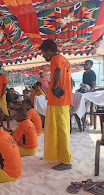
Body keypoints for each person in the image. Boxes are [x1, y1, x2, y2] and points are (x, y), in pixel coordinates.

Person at [39, 39, 72, 170]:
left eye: (43, 53)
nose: (43, 56)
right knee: (59, 130)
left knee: (61, 130)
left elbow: (57, 71)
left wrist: (54, 88)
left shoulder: (55, 59)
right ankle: (59, 156)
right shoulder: (65, 59)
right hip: (63, 100)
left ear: (48, 51)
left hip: (58, 101)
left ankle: (66, 161)